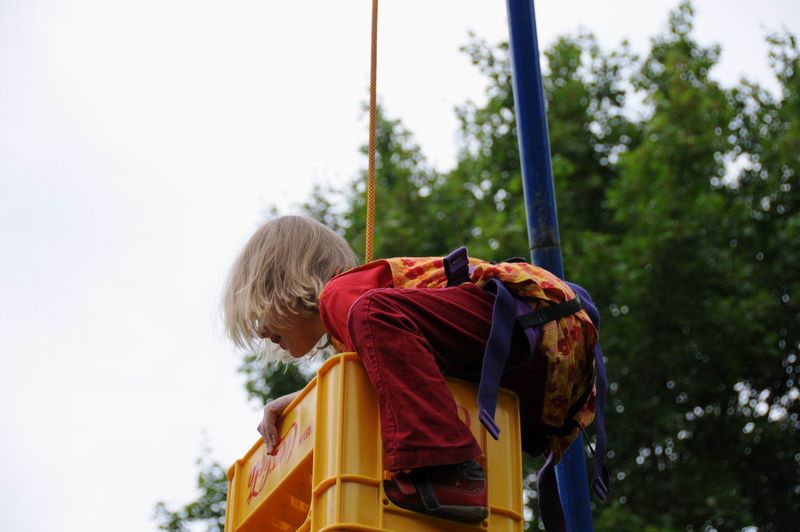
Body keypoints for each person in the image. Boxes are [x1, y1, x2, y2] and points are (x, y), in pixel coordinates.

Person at [222, 215, 597, 524]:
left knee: (370, 312)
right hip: (549, 371)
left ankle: (447, 469)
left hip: (534, 324)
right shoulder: (364, 331)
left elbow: (375, 329)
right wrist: (293, 404)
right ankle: (447, 470)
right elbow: (370, 374)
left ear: (285, 283)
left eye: (259, 311)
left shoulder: (341, 296)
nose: (261, 332)